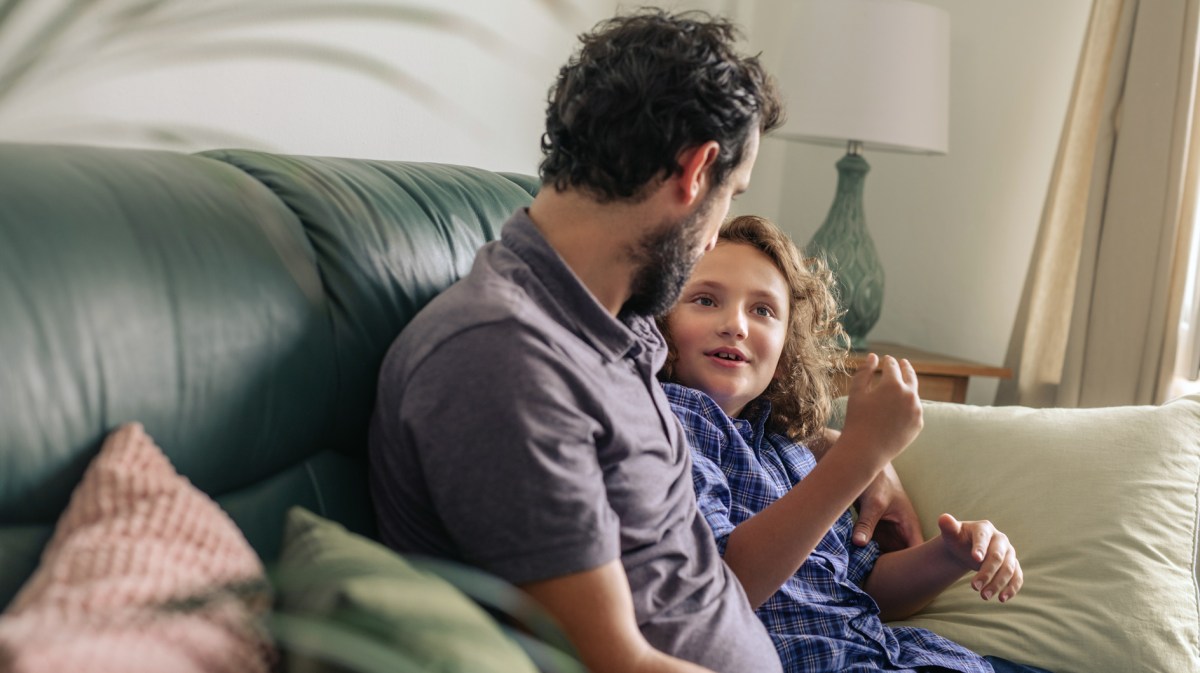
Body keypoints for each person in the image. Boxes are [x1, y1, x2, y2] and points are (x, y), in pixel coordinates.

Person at [368, 10, 918, 673]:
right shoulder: (504, 361)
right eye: (730, 197)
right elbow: (617, 662)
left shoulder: (606, 327)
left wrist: (851, 450)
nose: (714, 239)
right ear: (695, 172)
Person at [658, 214, 1049, 673]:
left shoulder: (784, 450)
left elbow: (864, 589)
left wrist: (950, 555)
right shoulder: (671, 421)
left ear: (786, 355)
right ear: (659, 326)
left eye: (762, 310)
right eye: (705, 300)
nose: (736, 326)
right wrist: (861, 454)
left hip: (893, 654)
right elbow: (722, 585)